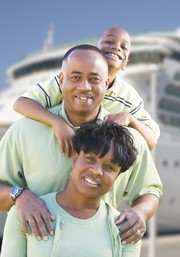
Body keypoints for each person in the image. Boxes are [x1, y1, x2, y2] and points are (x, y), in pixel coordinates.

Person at [0, 44, 163, 245]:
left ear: (106, 83)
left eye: (94, 79)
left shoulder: (130, 139)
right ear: (61, 80)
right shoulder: (23, 131)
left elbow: (150, 191)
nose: (85, 87)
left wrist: (140, 212)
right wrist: (19, 195)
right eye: (75, 77)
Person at [1, 122, 141, 257]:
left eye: (109, 167)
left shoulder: (127, 229)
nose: (97, 171)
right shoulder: (26, 213)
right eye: (90, 158)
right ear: (75, 160)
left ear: (117, 177)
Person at [13, 26, 159, 154]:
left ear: (125, 63)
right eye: (109, 41)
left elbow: (151, 142)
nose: (116, 47)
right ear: (95, 50)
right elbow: (20, 103)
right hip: (56, 149)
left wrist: (130, 118)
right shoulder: (69, 80)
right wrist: (57, 122)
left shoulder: (129, 95)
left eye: (124, 47)